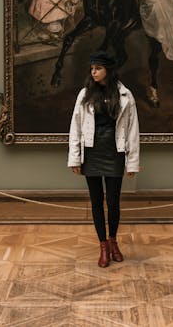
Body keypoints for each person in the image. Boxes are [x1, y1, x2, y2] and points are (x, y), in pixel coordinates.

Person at [68, 50, 140, 268]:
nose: (94, 72)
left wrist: (133, 161)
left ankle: (113, 241)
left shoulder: (125, 95)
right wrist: (75, 159)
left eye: (98, 68)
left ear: (108, 70)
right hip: (92, 153)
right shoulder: (84, 94)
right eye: (92, 68)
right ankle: (102, 246)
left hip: (115, 153)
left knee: (114, 202)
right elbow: (75, 127)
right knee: (97, 202)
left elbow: (133, 130)